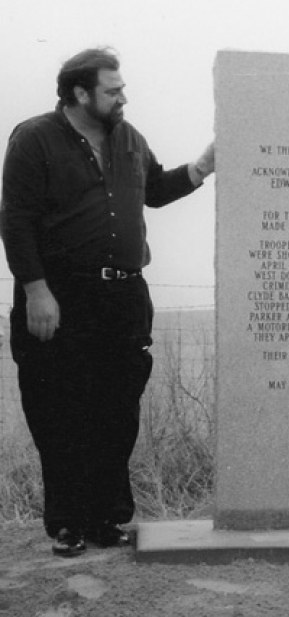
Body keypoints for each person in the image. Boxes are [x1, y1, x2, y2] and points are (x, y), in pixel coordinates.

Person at [0, 47, 215, 557]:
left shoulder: (130, 138)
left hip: (123, 295)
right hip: (60, 295)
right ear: (80, 93)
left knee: (117, 411)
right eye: (113, 90)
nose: (124, 97)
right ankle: (68, 523)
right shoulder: (34, 139)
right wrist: (36, 290)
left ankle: (105, 519)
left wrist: (203, 166)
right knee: (61, 412)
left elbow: (155, 191)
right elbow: (15, 219)